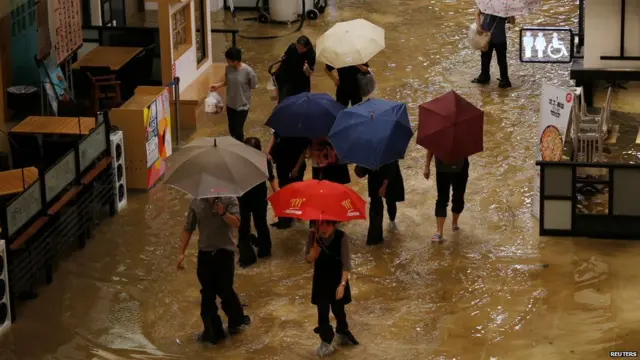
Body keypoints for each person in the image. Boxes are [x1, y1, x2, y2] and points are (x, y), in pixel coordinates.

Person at [177, 196, 251, 344]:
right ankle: (213, 331)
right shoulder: (195, 202)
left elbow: (237, 223)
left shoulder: (230, 199)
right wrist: (181, 252)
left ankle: (237, 321)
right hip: (204, 253)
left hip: (225, 253)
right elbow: (188, 228)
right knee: (207, 293)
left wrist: (223, 213)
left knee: (225, 290)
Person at [305, 220, 359, 357]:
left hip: (337, 281)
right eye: (321, 224)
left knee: (338, 311)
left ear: (334, 225)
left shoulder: (341, 236)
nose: (323, 228)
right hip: (320, 281)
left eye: (327, 225)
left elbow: (346, 265)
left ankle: (342, 333)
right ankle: (326, 342)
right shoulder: (312, 235)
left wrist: (342, 285)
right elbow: (308, 259)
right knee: (322, 312)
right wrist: (313, 253)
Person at [237, 137, 278, 267]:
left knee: (254, 224)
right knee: (248, 225)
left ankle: (253, 253)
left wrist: (278, 195)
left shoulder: (262, 160)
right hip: (248, 197)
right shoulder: (263, 160)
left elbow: (271, 178)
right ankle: (259, 251)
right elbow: (271, 179)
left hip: (253, 197)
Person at [210, 47, 258, 142]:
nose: (227, 62)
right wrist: (217, 85)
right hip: (231, 104)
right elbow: (227, 81)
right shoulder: (228, 68)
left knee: (238, 129)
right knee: (231, 128)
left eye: (229, 61)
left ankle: (240, 146)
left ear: (236, 61)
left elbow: (253, 85)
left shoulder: (248, 72)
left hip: (242, 105)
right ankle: (233, 145)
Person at [265, 130, 309, 229]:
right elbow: (275, 136)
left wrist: (296, 168)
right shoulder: (283, 125)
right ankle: (285, 218)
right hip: (282, 163)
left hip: (295, 164)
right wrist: (267, 152)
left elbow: (304, 151)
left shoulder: (302, 131)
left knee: (296, 191)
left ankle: (297, 214)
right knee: (284, 189)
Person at [354, 161, 405, 246]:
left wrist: (384, 186)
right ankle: (375, 240)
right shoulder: (367, 153)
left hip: (390, 179)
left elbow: (391, 169)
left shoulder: (389, 152)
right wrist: (359, 168)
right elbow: (360, 173)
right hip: (374, 178)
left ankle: (392, 221)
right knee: (375, 208)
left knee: (390, 201)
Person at [423, 151, 470, 241]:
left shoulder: (465, 136)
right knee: (442, 198)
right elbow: (430, 148)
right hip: (442, 168)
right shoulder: (436, 136)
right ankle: (439, 231)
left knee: (459, 198)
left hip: (461, 168)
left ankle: (454, 222)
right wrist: (427, 166)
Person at [472, 10, 515, 89]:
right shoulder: (499, 6)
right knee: (488, 58)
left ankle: (497, 78)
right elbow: (477, 13)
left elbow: (512, 22)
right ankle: (497, 78)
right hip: (493, 37)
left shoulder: (491, 4)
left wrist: (510, 15)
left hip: (495, 38)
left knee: (498, 59)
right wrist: (478, 26)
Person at [273, 36, 316, 101]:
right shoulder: (292, 47)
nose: (298, 50)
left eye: (301, 48)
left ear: (307, 47)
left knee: (301, 102)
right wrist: (275, 73)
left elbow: (309, 74)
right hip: (286, 78)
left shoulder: (311, 54)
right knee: (283, 101)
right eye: (297, 47)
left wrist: (306, 69)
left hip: (301, 82)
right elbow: (283, 60)